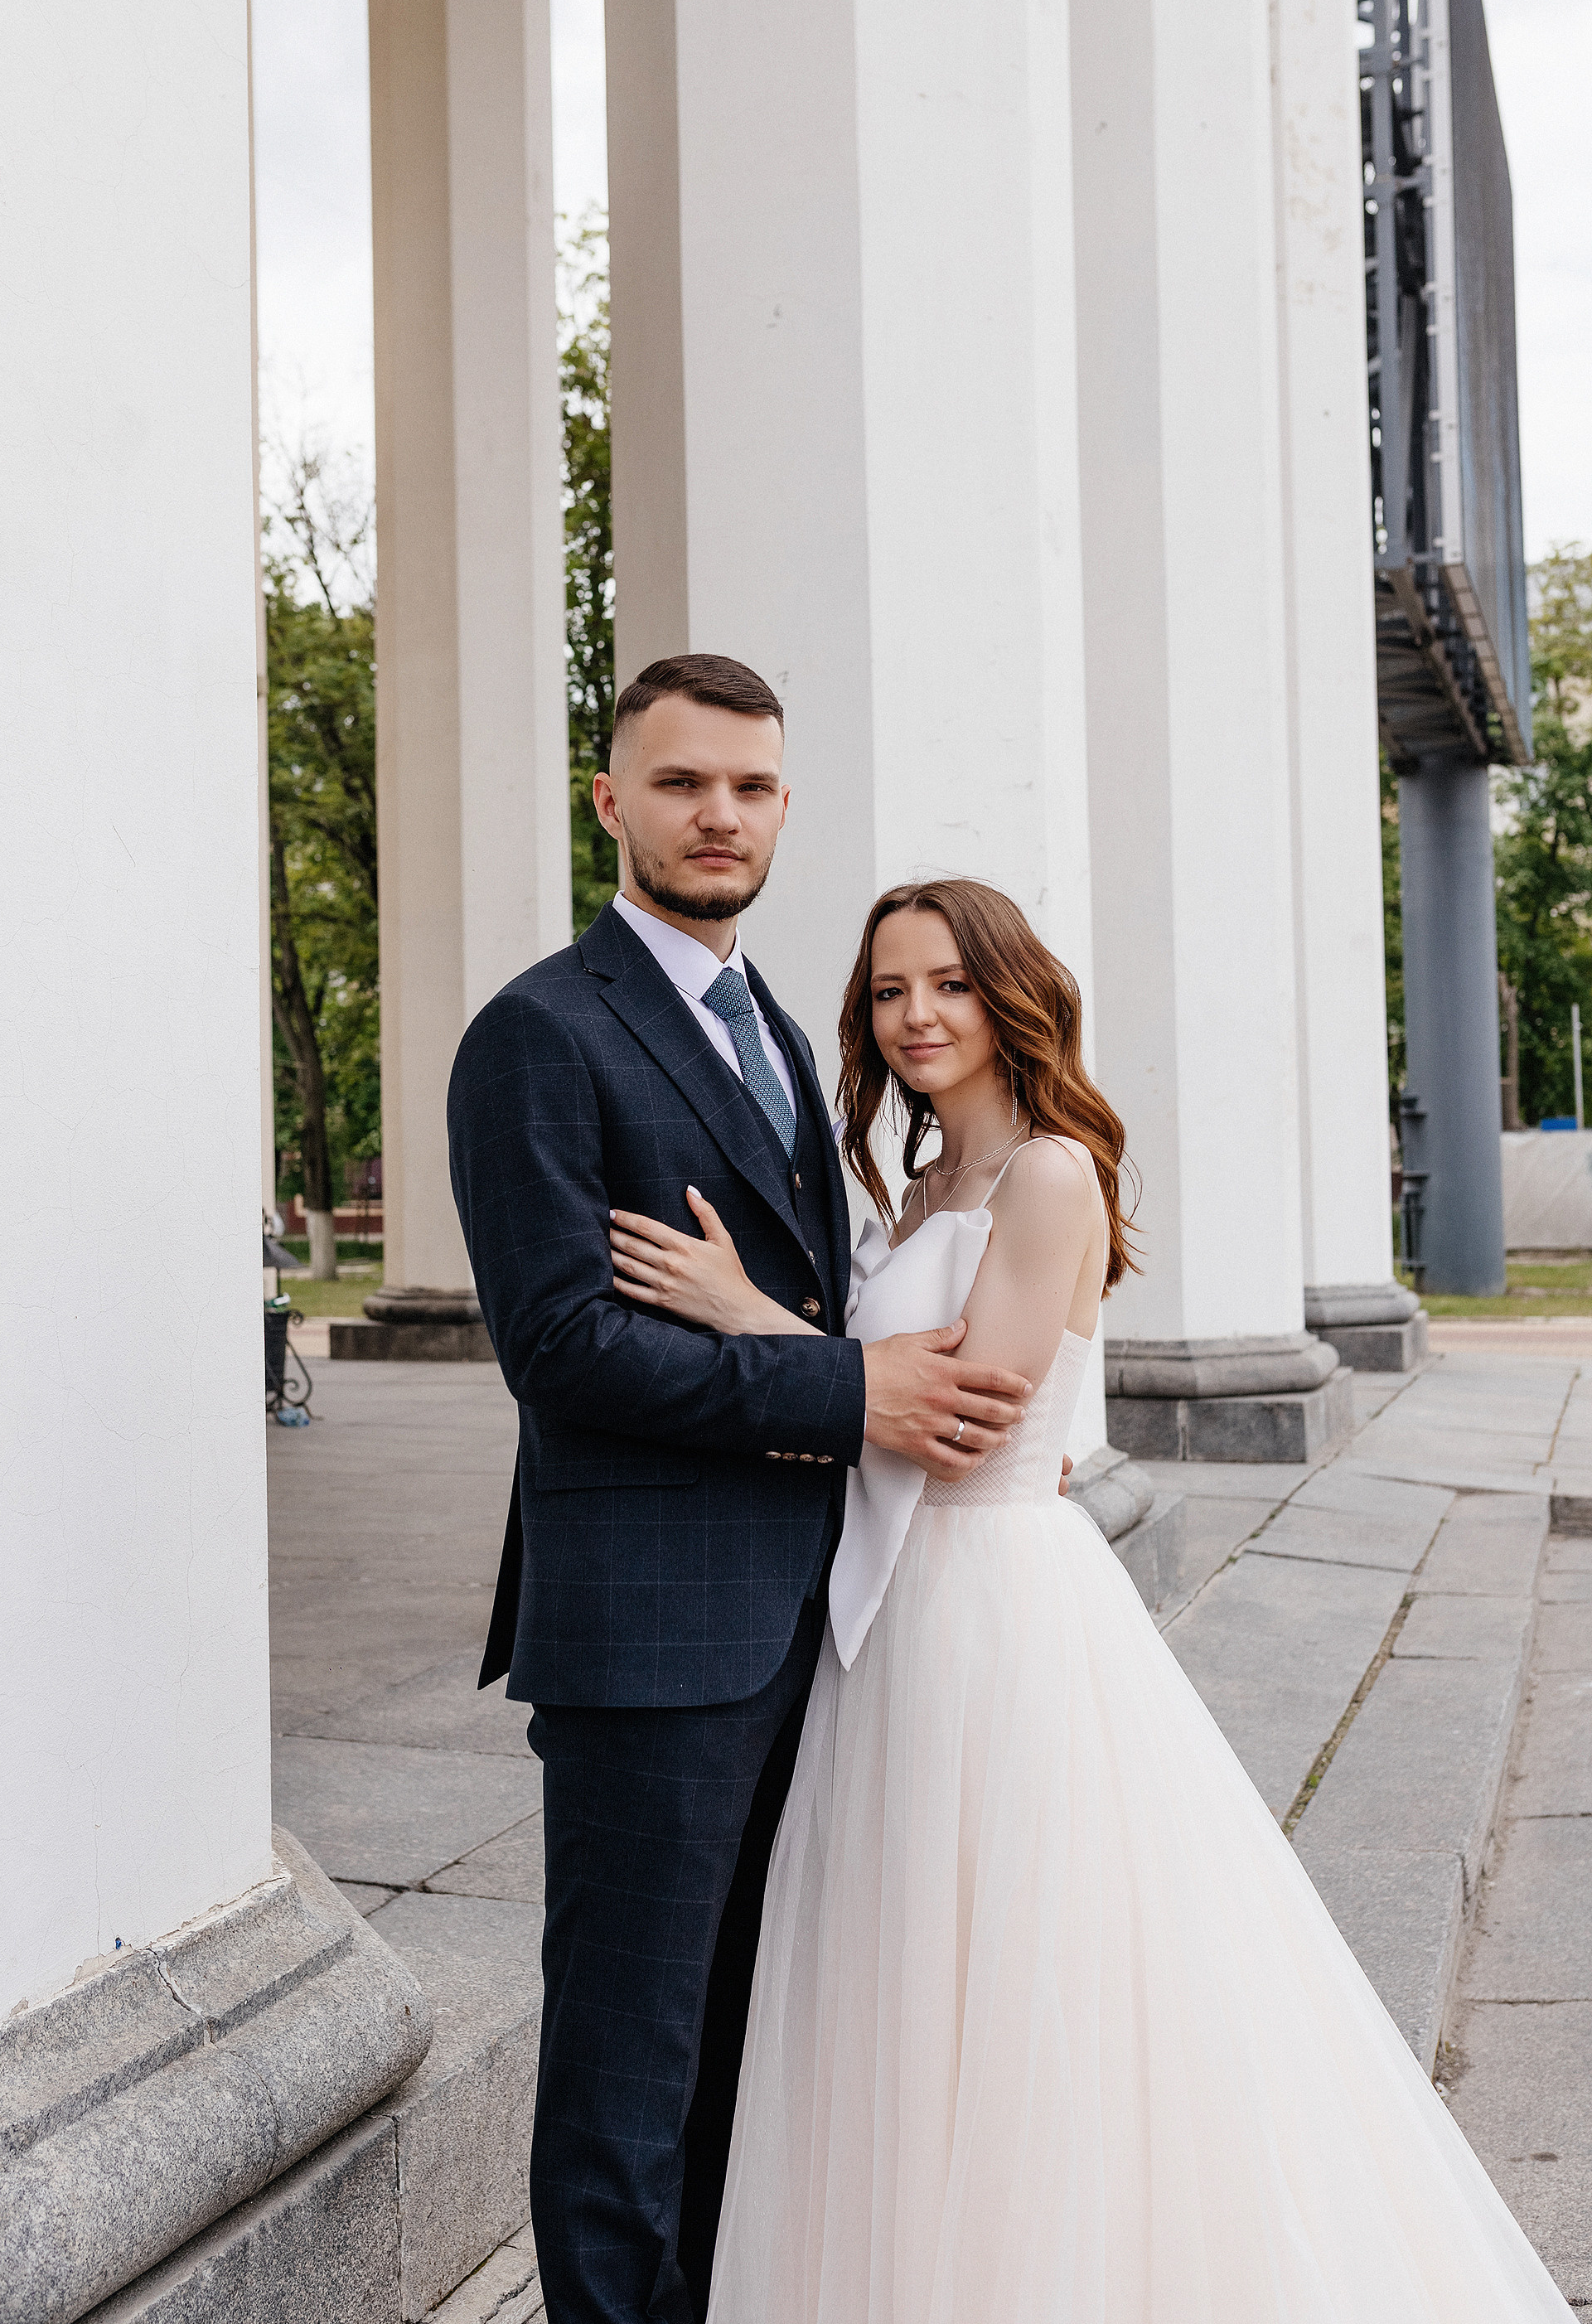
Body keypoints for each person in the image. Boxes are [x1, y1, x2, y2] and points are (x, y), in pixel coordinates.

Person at [609, 877, 1575, 2324]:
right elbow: (884, 1397)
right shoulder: (909, 1187)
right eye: (888, 992)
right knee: (892, 1985)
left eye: (947, 983)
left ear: (1010, 997)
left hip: (992, 1614)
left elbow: (969, 1429)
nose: (917, 1015)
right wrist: (815, 1355)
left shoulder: (1050, 1174)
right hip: (879, 1629)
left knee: (1017, 1987)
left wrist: (743, 1315)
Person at [448, 659, 1059, 2324]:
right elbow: (561, 1348)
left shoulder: (787, 1032)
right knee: (627, 2069)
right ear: (613, 803)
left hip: (823, 1631)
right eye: (681, 783)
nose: (718, 814)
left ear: (782, 808)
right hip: (652, 1641)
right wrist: (843, 1386)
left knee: (749, 2048)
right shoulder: (539, 1032)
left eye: (751, 788)